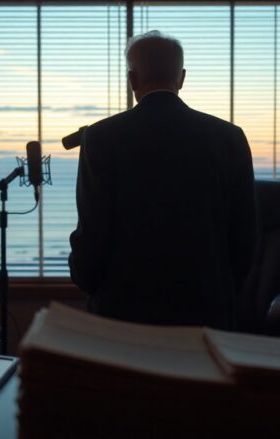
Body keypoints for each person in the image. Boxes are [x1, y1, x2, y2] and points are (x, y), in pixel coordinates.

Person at [68, 31, 257, 330]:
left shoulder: (101, 138)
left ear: (132, 80)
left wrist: (89, 283)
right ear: (181, 78)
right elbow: (245, 238)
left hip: (121, 315)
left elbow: (93, 234)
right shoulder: (229, 137)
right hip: (207, 313)